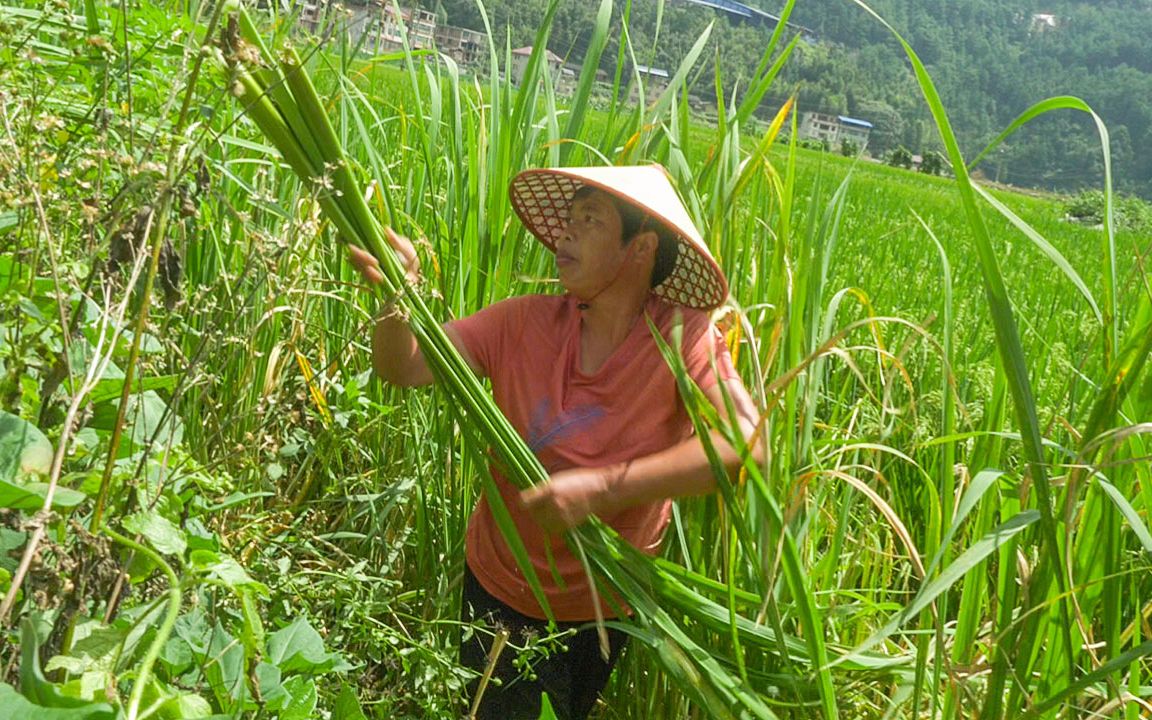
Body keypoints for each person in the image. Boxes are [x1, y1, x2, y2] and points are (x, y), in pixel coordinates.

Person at [347, 165, 761, 719]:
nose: (566, 233)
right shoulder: (523, 323)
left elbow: (746, 444)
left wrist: (601, 489)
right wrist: (398, 299)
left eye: (590, 220)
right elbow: (407, 367)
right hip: (499, 590)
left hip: (605, 608)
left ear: (639, 249)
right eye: (568, 219)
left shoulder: (683, 337)